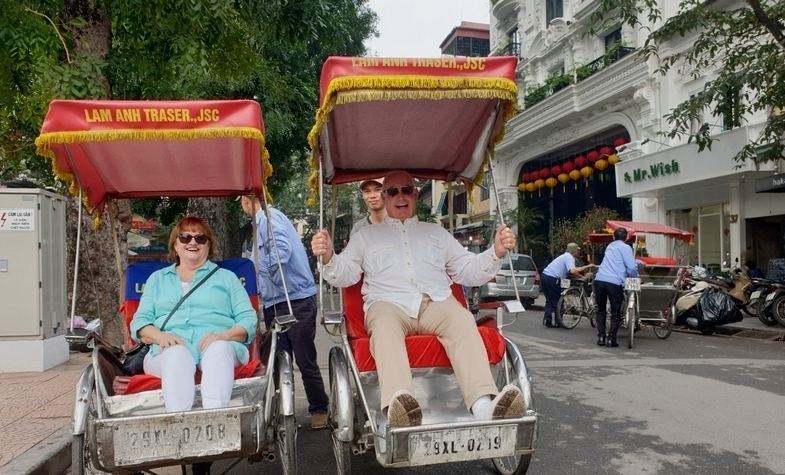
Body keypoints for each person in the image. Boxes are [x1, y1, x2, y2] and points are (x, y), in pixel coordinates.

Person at [311, 170, 525, 429]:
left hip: (434, 302)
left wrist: (496, 252)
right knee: (385, 328)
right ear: (385, 197)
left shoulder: (435, 233)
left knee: (462, 319)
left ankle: (483, 407)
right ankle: (399, 409)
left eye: (405, 190)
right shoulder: (365, 237)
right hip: (387, 304)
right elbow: (345, 273)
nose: (400, 196)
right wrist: (328, 257)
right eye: (392, 191)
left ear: (414, 195)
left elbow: (468, 269)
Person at [130, 216, 258, 412]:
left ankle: (215, 421)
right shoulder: (157, 280)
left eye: (200, 238)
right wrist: (160, 336)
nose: (192, 242)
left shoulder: (227, 278)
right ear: (175, 245)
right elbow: (139, 323)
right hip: (166, 350)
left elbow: (248, 319)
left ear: (209, 246)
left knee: (218, 350)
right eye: (185, 237)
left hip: (220, 345)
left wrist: (223, 335)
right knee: (176, 354)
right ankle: (181, 424)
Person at [239, 196, 329, 429]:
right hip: (274, 302)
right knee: (278, 361)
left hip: (294, 298)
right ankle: (281, 409)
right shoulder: (259, 223)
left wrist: (259, 272)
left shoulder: (269, 217)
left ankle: (319, 408)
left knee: (304, 358)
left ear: (246, 200)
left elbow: (282, 251)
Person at [593, 227, 639, 347]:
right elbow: (632, 267)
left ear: (613, 237)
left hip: (600, 279)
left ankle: (601, 337)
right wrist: (634, 276)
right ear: (627, 237)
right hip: (614, 282)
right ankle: (611, 339)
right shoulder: (626, 247)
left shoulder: (610, 246)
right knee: (615, 311)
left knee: (601, 310)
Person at [540, 243, 595, 327]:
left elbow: (572, 270)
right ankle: (559, 321)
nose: (579, 252)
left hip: (545, 276)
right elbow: (573, 271)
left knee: (550, 299)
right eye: (578, 250)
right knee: (557, 300)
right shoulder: (569, 257)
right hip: (553, 278)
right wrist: (583, 274)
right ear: (574, 251)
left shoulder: (564, 256)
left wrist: (584, 271)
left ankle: (547, 319)